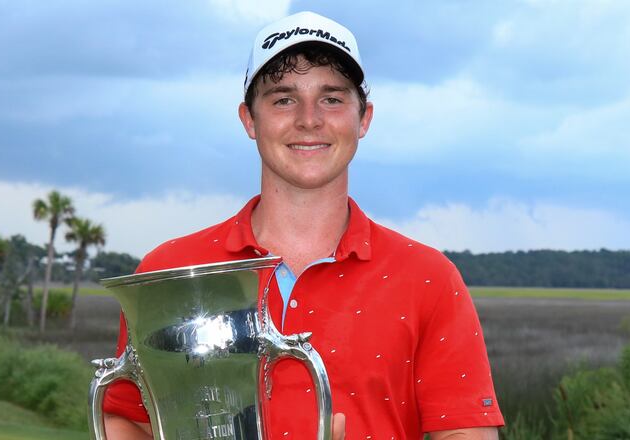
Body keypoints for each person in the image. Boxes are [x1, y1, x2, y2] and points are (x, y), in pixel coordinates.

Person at [102, 11, 504, 439]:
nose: (309, 119)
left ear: (363, 118)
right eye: (284, 99)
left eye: (332, 98)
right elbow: (126, 418)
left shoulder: (429, 279)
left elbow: (466, 431)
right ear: (249, 120)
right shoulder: (172, 271)